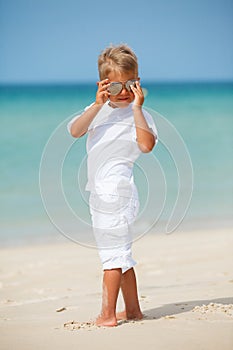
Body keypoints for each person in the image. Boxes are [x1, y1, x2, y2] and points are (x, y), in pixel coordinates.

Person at [67, 44, 158, 327]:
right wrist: (96, 105)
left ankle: (107, 315)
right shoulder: (98, 111)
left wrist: (138, 109)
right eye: (117, 86)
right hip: (100, 192)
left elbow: (146, 146)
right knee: (122, 254)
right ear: (104, 85)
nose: (125, 92)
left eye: (132, 84)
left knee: (111, 257)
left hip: (116, 194)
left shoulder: (139, 115)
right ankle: (132, 310)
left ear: (138, 82)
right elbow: (75, 131)